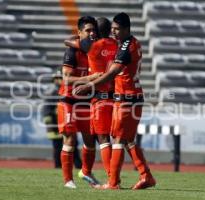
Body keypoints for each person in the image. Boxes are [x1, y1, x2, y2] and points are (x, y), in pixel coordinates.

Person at [73, 12, 156, 190]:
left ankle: (113, 183)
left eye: (117, 29)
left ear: (126, 29)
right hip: (133, 96)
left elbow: (112, 73)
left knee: (117, 139)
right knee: (128, 140)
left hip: (125, 98)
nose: (114, 32)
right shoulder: (131, 42)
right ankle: (146, 176)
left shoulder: (125, 47)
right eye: (112, 29)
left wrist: (89, 86)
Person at [65, 17, 118, 179]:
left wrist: (77, 36)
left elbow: (68, 41)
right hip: (117, 97)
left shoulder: (92, 46)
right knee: (120, 139)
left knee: (103, 138)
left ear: (96, 31)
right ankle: (139, 173)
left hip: (99, 97)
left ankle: (111, 178)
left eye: (93, 30)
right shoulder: (118, 46)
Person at [57, 16, 101, 189]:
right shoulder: (72, 51)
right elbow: (66, 78)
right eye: (88, 30)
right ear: (79, 32)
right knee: (70, 139)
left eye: (93, 30)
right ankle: (68, 181)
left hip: (87, 101)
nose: (92, 33)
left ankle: (86, 173)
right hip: (68, 100)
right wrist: (89, 78)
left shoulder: (96, 49)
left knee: (90, 141)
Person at [43, 73, 82, 169]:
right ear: (55, 79)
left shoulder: (65, 89)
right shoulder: (52, 91)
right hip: (55, 123)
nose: (62, 80)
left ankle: (78, 166)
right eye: (60, 78)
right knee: (58, 146)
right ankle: (58, 167)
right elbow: (47, 109)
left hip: (65, 120)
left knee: (73, 144)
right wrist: (51, 122)